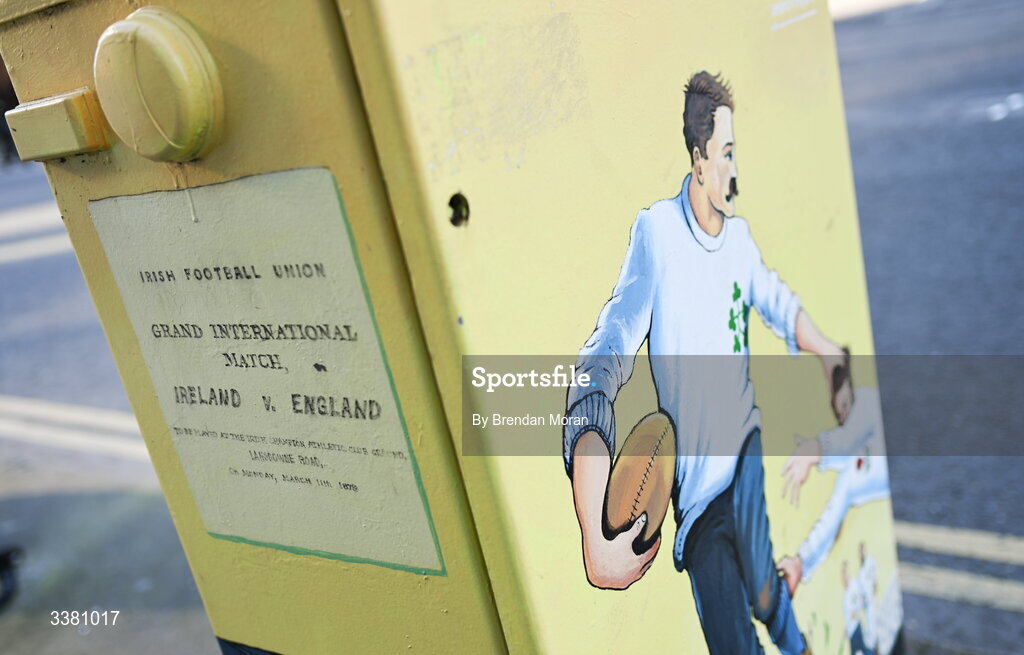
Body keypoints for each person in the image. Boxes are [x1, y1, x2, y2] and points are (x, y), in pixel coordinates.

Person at [564, 71, 845, 655]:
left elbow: (777, 302)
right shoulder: (658, 235)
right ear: (698, 160)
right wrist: (594, 525)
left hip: (742, 453)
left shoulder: (738, 242)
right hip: (695, 500)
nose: (734, 171)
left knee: (765, 594)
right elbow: (605, 353)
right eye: (726, 154)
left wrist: (826, 353)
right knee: (733, 644)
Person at [777, 352, 891, 592]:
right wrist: (802, 561)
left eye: (847, 405)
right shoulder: (852, 473)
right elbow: (832, 513)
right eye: (840, 416)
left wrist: (814, 449)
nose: (846, 417)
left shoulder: (867, 402)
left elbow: (846, 439)